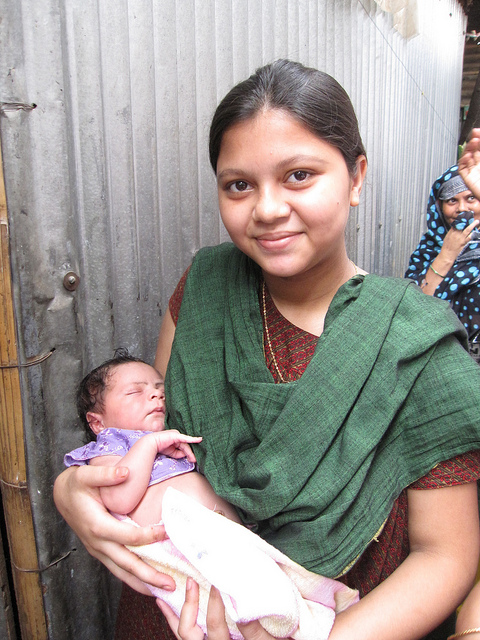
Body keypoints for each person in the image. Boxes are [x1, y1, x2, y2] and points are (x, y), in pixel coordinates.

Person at [54, 60, 480, 640]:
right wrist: (72, 492)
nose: (268, 208)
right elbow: (161, 445)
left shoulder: (416, 346)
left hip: (333, 619)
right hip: (181, 608)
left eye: (300, 175)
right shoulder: (204, 289)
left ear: (356, 178)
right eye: (239, 184)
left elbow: (446, 558)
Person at [64, 350, 358, 640]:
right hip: (184, 548)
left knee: (276, 591)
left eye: (160, 389)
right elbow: (119, 499)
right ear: (98, 422)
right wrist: (150, 445)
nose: (156, 397)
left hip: (227, 542)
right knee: (237, 607)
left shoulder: (175, 432)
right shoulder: (110, 446)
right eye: (135, 393)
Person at [405, 160, 480, 361]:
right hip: (438, 359)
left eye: (471, 197)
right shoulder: (428, 250)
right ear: (439, 206)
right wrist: (447, 254)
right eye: (451, 201)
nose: (461, 209)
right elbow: (414, 309)